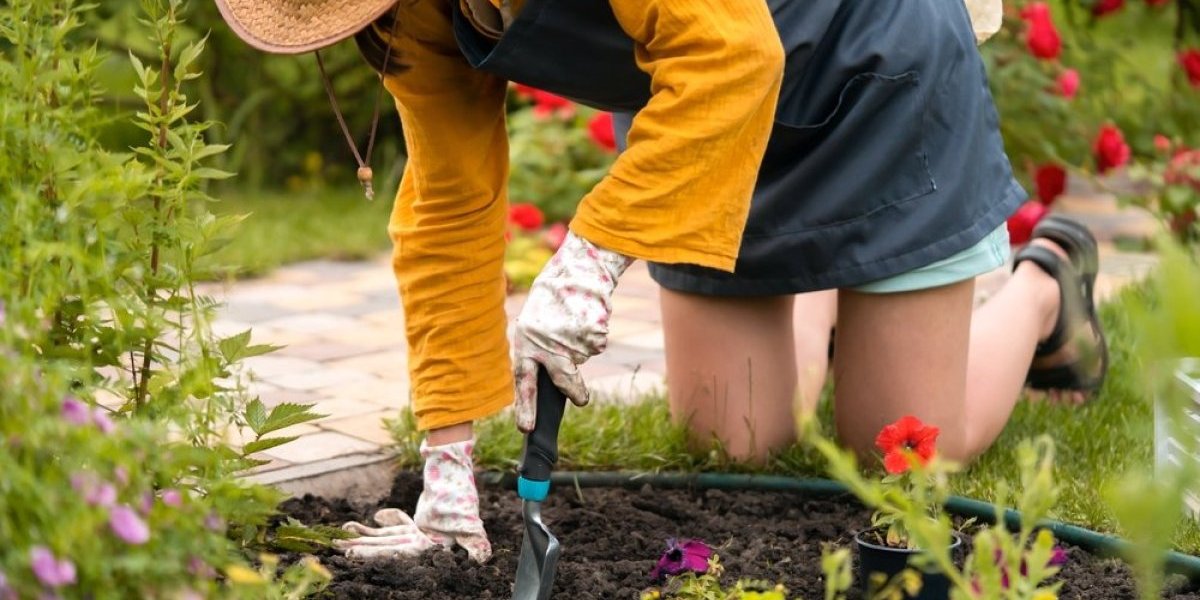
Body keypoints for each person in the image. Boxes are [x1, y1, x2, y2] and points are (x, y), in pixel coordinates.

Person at [211, 0, 1108, 563]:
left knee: (895, 455)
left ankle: (1041, 287)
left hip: (868, 64)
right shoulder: (410, 19)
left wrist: (594, 255)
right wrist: (447, 464)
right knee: (732, 440)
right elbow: (446, 207)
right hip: (702, 130)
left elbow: (738, 56)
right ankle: (854, 298)